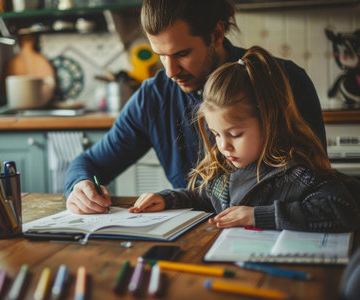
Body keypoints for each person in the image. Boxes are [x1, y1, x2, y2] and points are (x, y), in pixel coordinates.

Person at [65, 0, 327, 215]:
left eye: (181, 54)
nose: (170, 71)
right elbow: (89, 162)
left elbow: (319, 184)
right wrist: (81, 186)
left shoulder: (283, 81)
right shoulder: (153, 97)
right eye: (160, 56)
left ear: (216, 34)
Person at [129, 46, 360, 232]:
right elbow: (204, 197)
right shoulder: (225, 172)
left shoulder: (295, 174)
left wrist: (256, 216)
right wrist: (167, 199)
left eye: (235, 134)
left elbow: (342, 210)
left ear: (269, 122)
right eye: (216, 134)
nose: (223, 146)